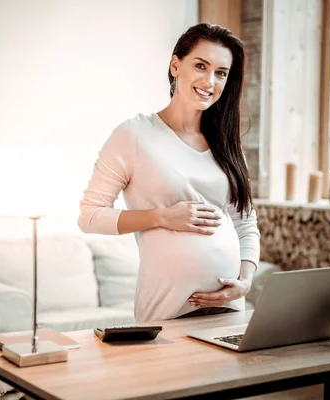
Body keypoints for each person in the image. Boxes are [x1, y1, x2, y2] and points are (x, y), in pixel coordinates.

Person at [78, 23, 260, 323]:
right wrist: (162, 217)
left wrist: (245, 282)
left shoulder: (227, 144)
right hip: (167, 309)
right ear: (176, 66)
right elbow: (89, 216)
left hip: (229, 307)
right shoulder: (134, 135)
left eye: (221, 73)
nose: (209, 81)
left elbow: (245, 221)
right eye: (200, 66)